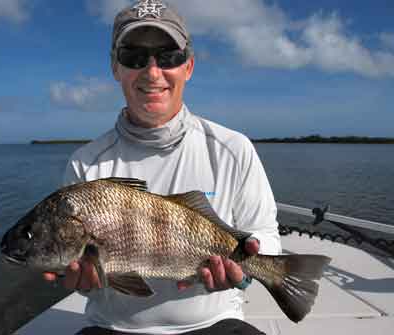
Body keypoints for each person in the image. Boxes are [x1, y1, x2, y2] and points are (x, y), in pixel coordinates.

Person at [44, 1, 281, 334]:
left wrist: (242, 276)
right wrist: (84, 281)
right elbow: (83, 273)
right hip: (114, 327)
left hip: (215, 323)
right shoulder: (86, 162)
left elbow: (266, 236)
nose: (152, 72)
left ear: (189, 67)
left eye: (168, 56)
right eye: (134, 56)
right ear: (115, 68)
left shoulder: (232, 149)